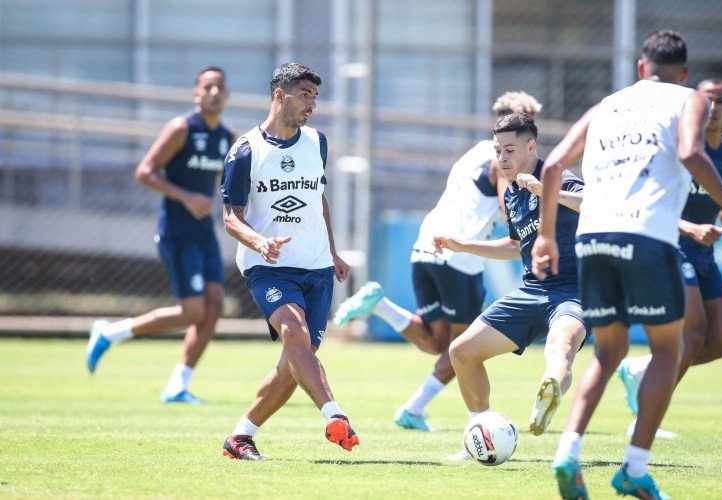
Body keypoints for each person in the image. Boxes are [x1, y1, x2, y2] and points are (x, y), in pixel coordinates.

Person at [532, 30, 722, 499]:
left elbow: (551, 169)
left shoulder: (606, 106)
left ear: (639, 68)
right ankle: (633, 468)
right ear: (685, 73)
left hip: (592, 236)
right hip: (647, 236)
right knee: (669, 352)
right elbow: (692, 154)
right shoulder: (689, 100)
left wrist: (547, 235)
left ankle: (568, 453)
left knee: (606, 353)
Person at [332, 92, 543, 432]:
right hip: (459, 258)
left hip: (425, 245)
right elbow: (509, 206)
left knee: (434, 342)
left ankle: (381, 305)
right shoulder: (503, 162)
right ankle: (428, 412)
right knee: (464, 349)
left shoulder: (470, 154)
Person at [218, 62, 357, 461]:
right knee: (294, 334)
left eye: (314, 96)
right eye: (304, 95)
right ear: (280, 95)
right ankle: (336, 414)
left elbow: (319, 200)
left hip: (316, 266)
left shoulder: (317, 142)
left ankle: (240, 436)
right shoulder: (246, 150)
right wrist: (260, 243)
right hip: (268, 266)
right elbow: (230, 217)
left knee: (298, 361)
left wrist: (331, 253)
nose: (312, 104)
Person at [436, 112, 587, 460]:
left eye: (509, 150)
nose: (501, 159)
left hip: (574, 291)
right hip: (532, 292)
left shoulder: (557, 176)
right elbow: (513, 245)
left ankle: (549, 390)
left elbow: (594, 204)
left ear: (531, 147)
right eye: (497, 151)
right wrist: (463, 245)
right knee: (461, 352)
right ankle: (482, 431)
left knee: (561, 343)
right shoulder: (512, 195)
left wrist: (549, 190)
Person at [616, 78, 722, 436]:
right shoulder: (681, 145)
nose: (712, 108)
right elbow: (652, 201)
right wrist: (690, 228)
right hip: (672, 242)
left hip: (704, 251)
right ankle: (645, 419)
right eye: (705, 101)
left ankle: (644, 369)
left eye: (719, 101)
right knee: (693, 330)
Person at [85, 66, 234, 404]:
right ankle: (111, 332)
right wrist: (186, 196)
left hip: (205, 233)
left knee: (214, 310)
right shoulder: (181, 128)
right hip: (178, 233)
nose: (214, 92)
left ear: (226, 95)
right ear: (196, 94)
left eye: (220, 87)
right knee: (193, 313)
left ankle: (177, 386)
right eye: (208, 87)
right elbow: (145, 171)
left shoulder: (227, 136)